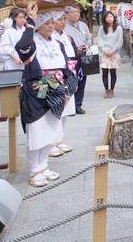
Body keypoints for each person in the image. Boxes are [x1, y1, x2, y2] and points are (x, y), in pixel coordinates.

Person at [15, 3, 66, 187]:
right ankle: (34, 170)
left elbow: (64, 66)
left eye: (53, 23)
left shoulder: (56, 42)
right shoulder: (32, 41)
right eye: (46, 23)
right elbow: (21, 47)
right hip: (37, 90)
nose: (51, 26)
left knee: (51, 130)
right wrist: (30, 22)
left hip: (55, 89)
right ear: (38, 26)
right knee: (37, 130)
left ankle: (44, 165)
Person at [50, 13, 78, 157]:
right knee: (56, 109)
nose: (62, 22)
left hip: (69, 74)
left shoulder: (66, 37)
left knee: (65, 110)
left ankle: (60, 140)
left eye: (63, 19)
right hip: (56, 76)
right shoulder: (50, 38)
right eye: (59, 19)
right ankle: (52, 142)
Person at [64, 5, 92, 114]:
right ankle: (70, 106)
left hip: (83, 56)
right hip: (71, 58)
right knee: (71, 81)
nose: (76, 14)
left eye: (77, 12)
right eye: (73, 12)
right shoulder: (65, 27)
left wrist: (87, 45)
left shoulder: (83, 25)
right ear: (67, 15)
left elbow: (89, 38)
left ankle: (78, 105)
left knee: (82, 80)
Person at [97, 11, 123, 98]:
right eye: (107, 17)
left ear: (114, 18)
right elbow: (99, 39)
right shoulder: (102, 28)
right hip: (104, 53)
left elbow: (120, 41)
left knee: (113, 72)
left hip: (114, 53)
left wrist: (113, 50)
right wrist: (104, 50)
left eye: (111, 16)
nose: (109, 18)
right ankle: (106, 90)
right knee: (104, 72)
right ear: (104, 18)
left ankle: (111, 90)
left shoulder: (118, 28)